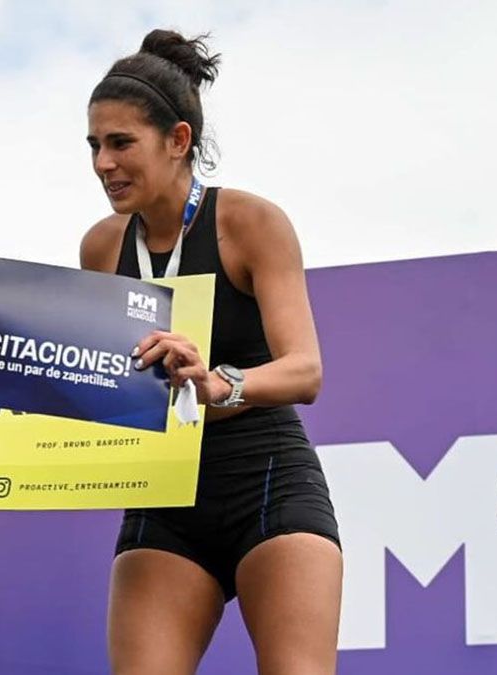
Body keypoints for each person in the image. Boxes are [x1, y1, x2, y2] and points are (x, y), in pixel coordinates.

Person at [79, 31, 342, 675]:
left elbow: (305, 370)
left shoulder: (251, 223)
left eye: (120, 143)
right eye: (93, 146)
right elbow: (97, 383)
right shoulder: (99, 249)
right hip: (163, 498)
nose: (102, 163)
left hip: (268, 481)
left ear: (178, 141)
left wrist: (218, 383)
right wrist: (17, 397)